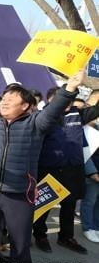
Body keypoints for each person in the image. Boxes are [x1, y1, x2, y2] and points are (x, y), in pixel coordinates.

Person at [0, 70, 86, 263]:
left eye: (12, 100)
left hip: (20, 194)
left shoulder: (35, 124)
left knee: (20, 240)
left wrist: (70, 87)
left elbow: (52, 110)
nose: (6, 102)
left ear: (25, 106)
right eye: (5, 98)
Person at [33, 86, 99, 254]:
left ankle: (66, 237)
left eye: (70, 100)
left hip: (73, 170)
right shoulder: (42, 117)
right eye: (64, 99)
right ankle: (40, 236)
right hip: (49, 169)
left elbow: (96, 109)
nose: (68, 103)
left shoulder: (78, 114)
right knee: (45, 205)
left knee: (69, 206)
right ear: (51, 100)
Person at [81, 91, 99, 242]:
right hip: (92, 168)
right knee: (90, 200)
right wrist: (92, 172)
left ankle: (97, 226)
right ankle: (88, 227)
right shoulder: (87, 129)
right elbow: (85, 151)